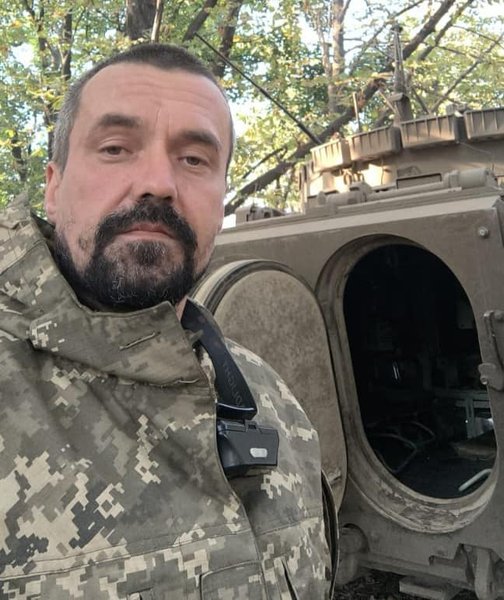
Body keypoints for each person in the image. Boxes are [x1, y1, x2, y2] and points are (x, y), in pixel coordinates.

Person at [0, 43, 330, 599]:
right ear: (53, 188)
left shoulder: (270, 397)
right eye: (115, 148)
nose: (158, 181)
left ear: (221, 200)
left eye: (195, 159)